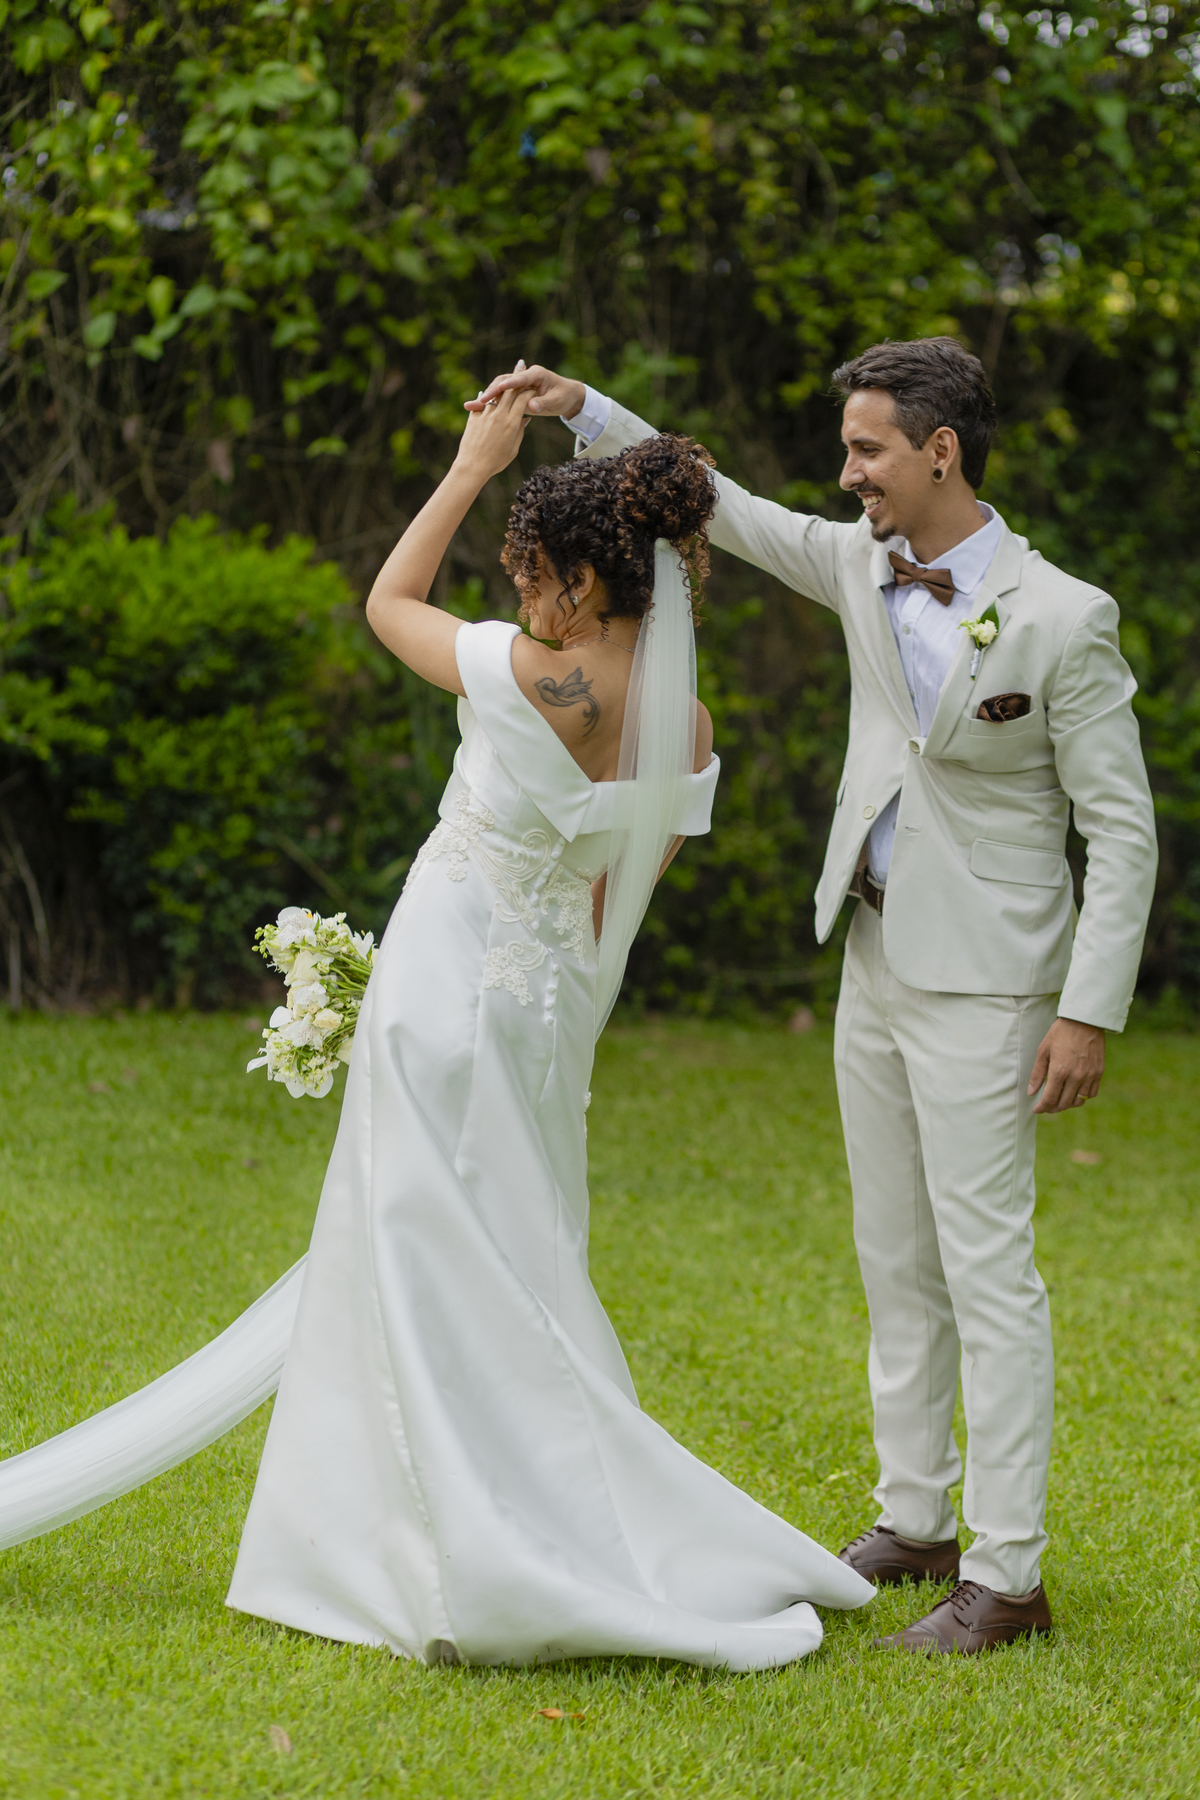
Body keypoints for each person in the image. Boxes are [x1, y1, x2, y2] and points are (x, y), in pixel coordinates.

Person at [0, 383, 872, 1668]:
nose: (522, 595)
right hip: (543, 1015)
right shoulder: (684, 724)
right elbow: (612, 897)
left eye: (533, 575)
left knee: (416, 1251)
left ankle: (446, 1549)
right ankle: (491, 1517)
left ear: (585, 580)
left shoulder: (531, 674)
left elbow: (387, 602)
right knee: (514, 1255)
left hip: (441, 990)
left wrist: (472, 465)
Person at [472, 340, 1158, 1655]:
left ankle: (1008, 1577)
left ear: (940, 452)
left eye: (867, 450)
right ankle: (916, 1520)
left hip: (994, 979)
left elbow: (1121, 829)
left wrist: (1089, 1010)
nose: (847, 474)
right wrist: (581, 411)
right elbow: (714, 499)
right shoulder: (855, 559)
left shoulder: (1066, 616)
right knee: (892, 1255)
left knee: (987, 1271)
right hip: (874, 950)